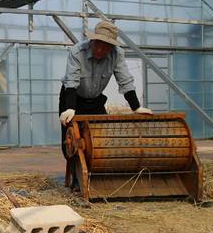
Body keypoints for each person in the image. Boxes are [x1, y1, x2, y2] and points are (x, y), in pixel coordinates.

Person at [58, 21, 152, 188]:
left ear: (111, 46)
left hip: (95, 99)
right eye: (98, 46)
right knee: (71, 139)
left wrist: (136, 107)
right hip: (72, 97)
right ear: (92, 41)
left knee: (101, 138)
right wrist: (70, 108)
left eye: (105, 47)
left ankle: (98, 175)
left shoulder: (117, 54)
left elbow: (125, 80)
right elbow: (71, 82)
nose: (100, 51)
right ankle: (77, 178)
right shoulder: (77, 52)